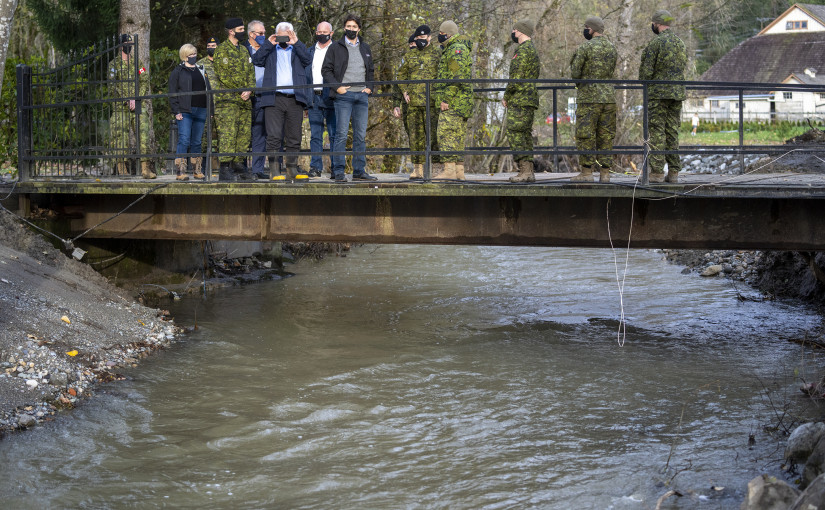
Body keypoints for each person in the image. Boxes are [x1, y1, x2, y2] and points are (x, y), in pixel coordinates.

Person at [321, 13, 378, 182]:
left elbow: (371, 71)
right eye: (348, 26)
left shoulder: (365, 48)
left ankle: (359, 170)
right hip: (343, 96)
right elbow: (326, 70)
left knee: (360, 135)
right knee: (341, 134)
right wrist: (338, 88)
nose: (351, 29)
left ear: (359, 29)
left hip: (362, 96)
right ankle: (338, 171)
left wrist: (370, 87)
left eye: (354, 27)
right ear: (344, 28)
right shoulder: (335, 47)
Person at [251, 22, 311, 179]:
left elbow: (308, 60)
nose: (284, 38)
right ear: (275, 35)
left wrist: (296, 42)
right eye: (281, 35)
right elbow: (257, 60)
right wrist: (268, 44)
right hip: (274, 98)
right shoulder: (270, 50)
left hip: (295, 99)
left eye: (287, 34)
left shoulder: (297, 49)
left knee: (294, 136)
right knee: (274, 136)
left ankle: (292, 170)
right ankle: (274, 171)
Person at [639, 9, 687, 183]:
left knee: (657, 131)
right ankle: (674, 172)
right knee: (672, 131)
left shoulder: (655, 44)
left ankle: (657, 172)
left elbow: (645, 74)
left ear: (657, 24)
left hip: (658, 94)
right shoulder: (681, 43)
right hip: (677, 93)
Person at [569, 16, 617, 183]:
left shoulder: (585, 47)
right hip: (609, 98)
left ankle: (587, 173)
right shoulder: (612, 48)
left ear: (592, 29)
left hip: (589, 98)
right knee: (606, 135)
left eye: (586, 27)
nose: (584, 30)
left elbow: (575, 73)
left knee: (585, 135)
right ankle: (605, 174)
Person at [212, 17, 255, 181]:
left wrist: (249, 89)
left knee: (243, 135)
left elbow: (251, 72)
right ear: (231, 31)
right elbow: (223, 75)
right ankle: (225, 168)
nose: (243, 32)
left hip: (244, 100)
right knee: (228, 134)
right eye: (240, 29)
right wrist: (241, 89)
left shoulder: (244, 50)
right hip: (228, 101)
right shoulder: (221, 50)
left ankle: (238, 165)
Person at [396, 25, 441, 180]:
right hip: (414, 104)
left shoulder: (438, 53)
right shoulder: (410, 56)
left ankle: (435, 169)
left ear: (429, 38)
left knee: (434, 136)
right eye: (418, 39)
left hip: (433, 103)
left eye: (424, 38)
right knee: (416, 138)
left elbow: (445, 75)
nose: (421, 41)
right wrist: (404, 90)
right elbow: (400, 74)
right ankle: (418, 169)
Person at [108, 34, 155, 179]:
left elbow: (144, 80)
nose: (129, 46)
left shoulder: (138, 63)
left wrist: (136, 97)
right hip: (120, 106)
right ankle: (122, 170)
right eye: (127, 43)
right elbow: (112, 85)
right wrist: (128, 99)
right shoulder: (113, 65)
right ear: (121, 46)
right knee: (120, 137)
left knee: (143, 134)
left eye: (131, 44)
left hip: (138, 105)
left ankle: (145, 169)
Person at [433, 20, 473, 180]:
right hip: (461, 101)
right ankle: (458, 171)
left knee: (446, 133)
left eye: (441, 34)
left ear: (447, 34)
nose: (440, 36)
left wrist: (446, 99)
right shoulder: (453, 49)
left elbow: (457, 77)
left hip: (455, 101)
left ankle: (449, 170)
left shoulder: (455, 50)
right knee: (457, 135)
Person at [503, 19, 540, 183]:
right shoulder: (531, 50)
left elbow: (516, 78)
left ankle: (525, 170)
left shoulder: (523, 51)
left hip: (520, 99)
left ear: (520, 31)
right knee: (523, 134)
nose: (513, 32)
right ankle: (528, 171)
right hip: (527, 98)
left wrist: (507, 95)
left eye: (514, 30)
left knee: (516, 133)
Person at [169, 43, 211, 180]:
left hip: (201, 109)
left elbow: (208, 90)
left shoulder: (201, 69)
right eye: (190, 55)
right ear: (184, 56)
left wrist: (211, 108)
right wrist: (176, 110)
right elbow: (172, 92)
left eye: (194, 54)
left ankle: (197, 170)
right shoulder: (178, 71)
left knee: (197, 141)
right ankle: (180, 171)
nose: (194, 56)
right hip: (185, 110)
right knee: (184, 139)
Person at [305, 21, 336, 177]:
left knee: (334, 134)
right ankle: (315, 167)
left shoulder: (338, 50)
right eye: (319, 31)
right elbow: (305, 76)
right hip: (313, 98)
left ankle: (336, 168)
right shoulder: (310, 51)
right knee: (315, 135)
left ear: (331, 33)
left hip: (332, 97)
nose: (321, 34)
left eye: (325, 32)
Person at [246, 20, 269, 179]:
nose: (263, 36)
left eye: (264, 33)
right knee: (243, 134)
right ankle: (239, 169)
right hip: (245, 97)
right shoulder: (242, 50)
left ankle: (257, 169)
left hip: (264, 96)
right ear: (251, 34)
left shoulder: (268, 49)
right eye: (260, 34)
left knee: (261, 133)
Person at [197, 36, 220, 173]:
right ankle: (204, 167)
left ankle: (221, 166)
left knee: (222, 137)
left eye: (214, 46)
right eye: (209, 47)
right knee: (205, 138)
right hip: (206, 105)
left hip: (223, 105)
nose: (211, 49)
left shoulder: (224, 62)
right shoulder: (201, 64)